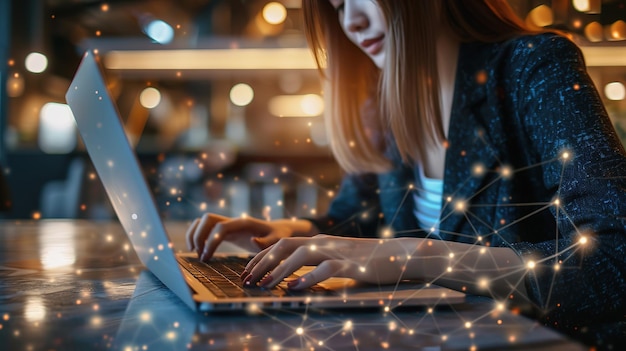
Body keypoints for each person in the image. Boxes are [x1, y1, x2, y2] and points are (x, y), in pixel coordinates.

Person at [187, 0, 626, 347]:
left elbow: (615, 262)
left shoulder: (534, 66)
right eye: (339, 6)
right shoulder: (383, 104)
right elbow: (353, 218)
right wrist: (283, 233)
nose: (352, 22)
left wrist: (415, 258)